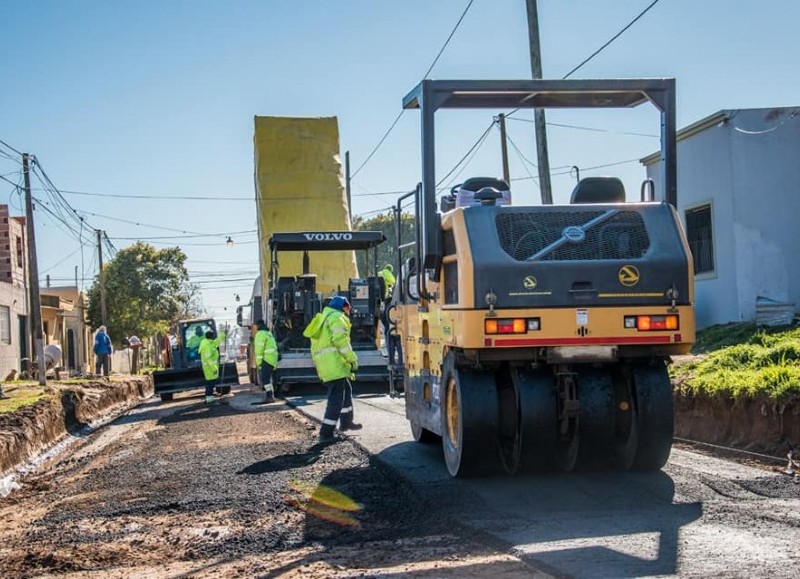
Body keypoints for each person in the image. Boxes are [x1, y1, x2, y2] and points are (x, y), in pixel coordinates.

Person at [303, 295, 361, 443]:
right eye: (347, 307)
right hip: (335, 365)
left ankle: (346, 422)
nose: (349, 311)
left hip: (327, 364)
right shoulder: (337, 317)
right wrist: (352, 359)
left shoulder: (323, 318)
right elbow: (341, 341)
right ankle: (326, 433)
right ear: (343, 307)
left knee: (346, 390)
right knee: (335, 400)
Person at [253, 319, 278, 402]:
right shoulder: (268, 333)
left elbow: (259, 350)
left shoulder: (260, 334)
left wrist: (259, 363)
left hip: (266, 359)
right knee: (268, 379)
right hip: (272, 359)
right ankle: (270, 395)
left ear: (258, 326)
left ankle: (270, 396)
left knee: (265, 379)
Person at [199, 328, 226, 404]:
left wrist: (224, 334)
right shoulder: (208, 345)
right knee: (210, 384)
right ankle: (209, 399)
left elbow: (217, 342)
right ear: (212, 336)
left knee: (210, 383)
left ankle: (209, 398)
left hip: (210, 368)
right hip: (209, 368)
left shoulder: (210, 343)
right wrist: (214, 369)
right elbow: (208, 359)